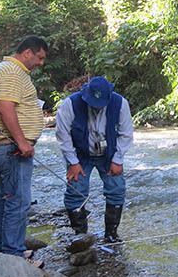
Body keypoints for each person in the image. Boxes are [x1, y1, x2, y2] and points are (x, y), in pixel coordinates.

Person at [0, 36, 48, 265]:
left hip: (9, 146)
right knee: (18, 201)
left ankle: (5, 249)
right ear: (27, 53)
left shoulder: (10, 70)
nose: (41, 63)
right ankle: (13, 255)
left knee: (7, 198)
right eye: (40, 57)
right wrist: (22, 142)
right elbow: (6, 107)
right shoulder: (12, 72)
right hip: (12, 148)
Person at [55, 76, 134, 243]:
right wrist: (73, 162)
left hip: (109, 154)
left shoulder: (120, 104)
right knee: (75, 191)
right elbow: (63, 135)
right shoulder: (70, 104)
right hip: (80, 155)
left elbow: (126, 134)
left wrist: (118, 160)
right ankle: (80, 235)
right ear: (85, 95)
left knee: (117, 189)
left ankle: (111, 234)